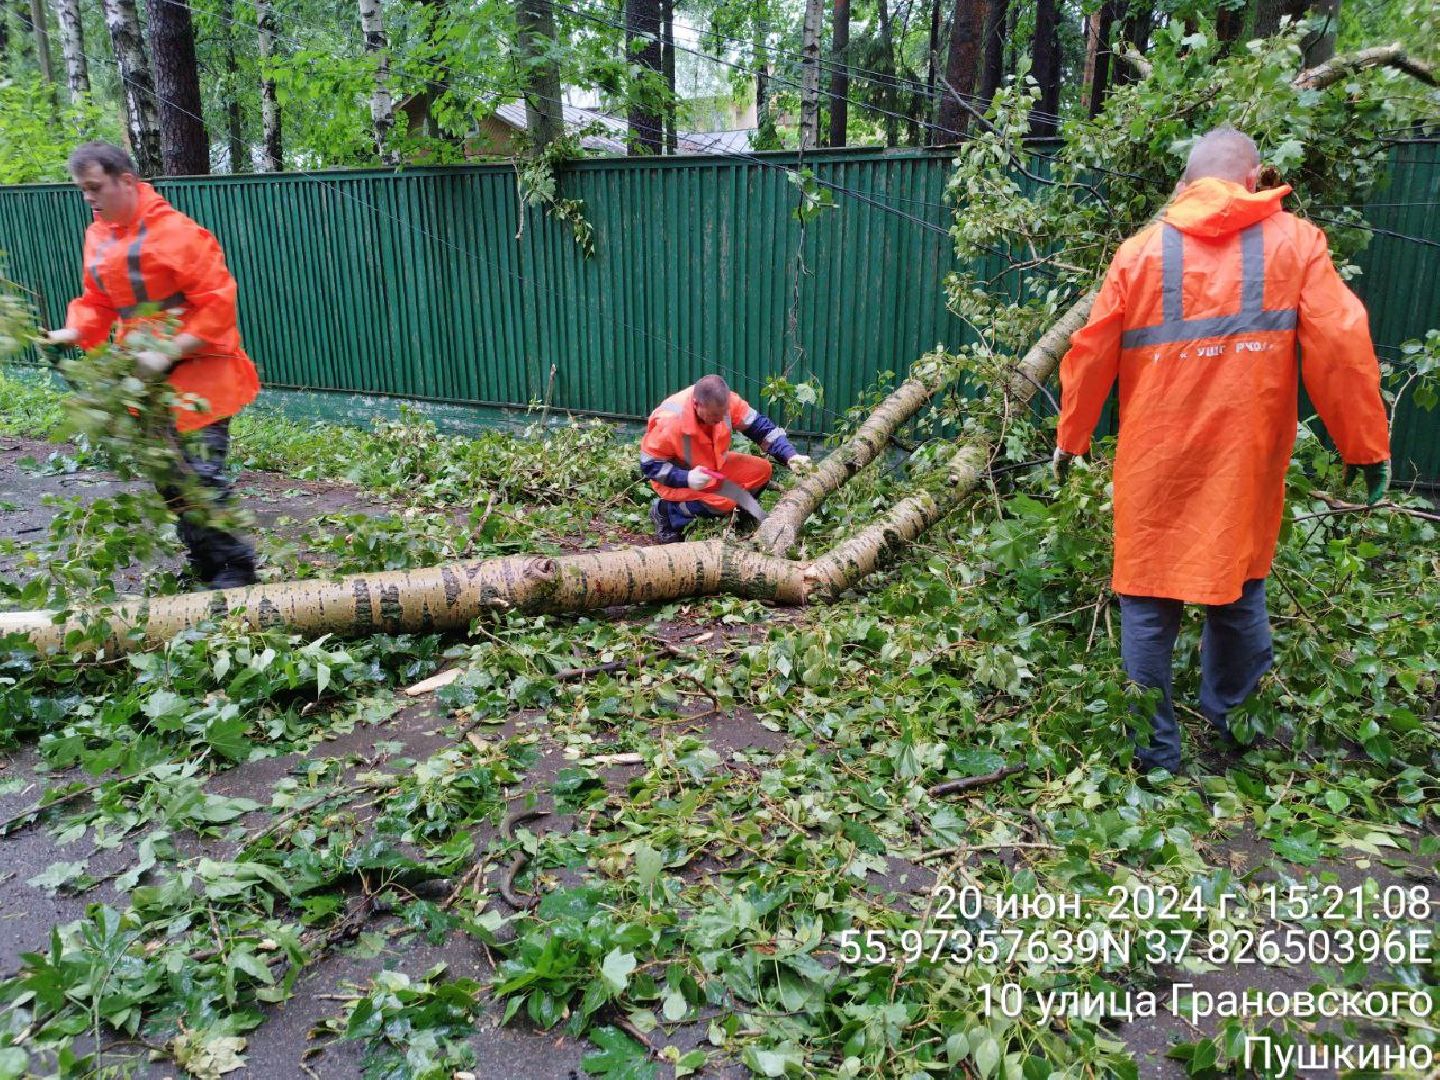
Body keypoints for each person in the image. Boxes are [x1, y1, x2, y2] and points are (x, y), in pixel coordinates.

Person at [1053, 126, 1390, 774]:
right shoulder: (1297, 244)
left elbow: (1090, 352)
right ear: (1255, 179)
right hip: (1243, 463)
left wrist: (1073, 437)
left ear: (1184, 186)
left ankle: (1155, 756)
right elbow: (1343, 346)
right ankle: (1233, 731)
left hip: (1155, 461)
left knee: (1147, 601)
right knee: (1238, 593)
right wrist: (1365, 447)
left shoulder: (1140, 253)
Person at [41, 141, 261, 590]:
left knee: (200, 476)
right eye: (83, 189)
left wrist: (168, 350)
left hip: (201, 376)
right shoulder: (99, 237)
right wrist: (72, 331)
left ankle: (235, 572)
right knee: (171, 480)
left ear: (126, 180)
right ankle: (207, 566)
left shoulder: (179, 234)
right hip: (144, 381)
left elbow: (218, 306)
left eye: (94, 187)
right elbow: (97, 301)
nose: (88, 197)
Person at [641, 374, 812, 543]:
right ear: (696, 404)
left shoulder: (727, 402)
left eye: (722, 415)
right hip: (677, 478)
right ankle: (666, 512)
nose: (719, 420)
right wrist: (687, 478)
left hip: (712, 465)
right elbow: (649, 465)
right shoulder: (671, 421)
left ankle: (740, 516)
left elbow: (762, 429)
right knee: (724, 502)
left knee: (762, 471)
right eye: (713, 416)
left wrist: (791, 456)